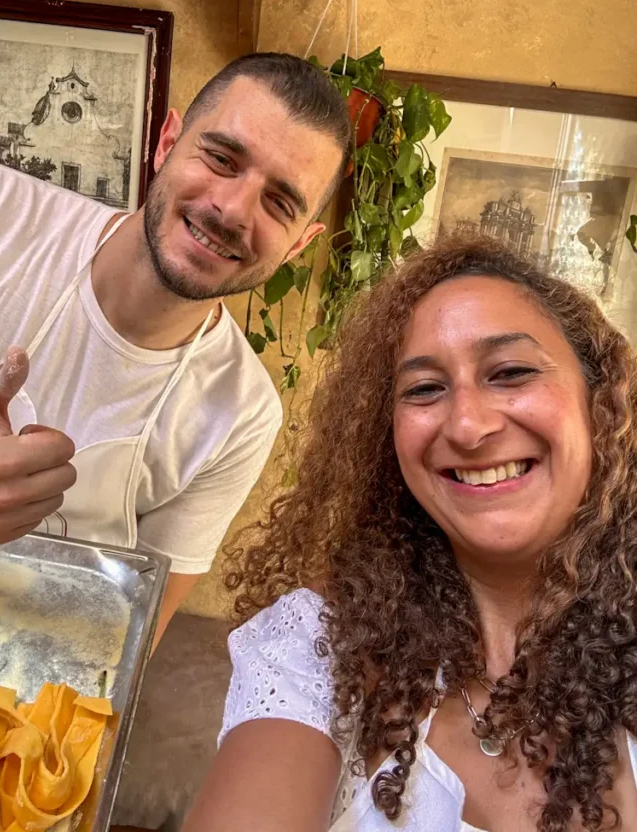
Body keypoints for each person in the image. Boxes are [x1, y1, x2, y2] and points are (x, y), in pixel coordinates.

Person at [0, 52, 351, 647]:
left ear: (300, 244)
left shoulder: (242, 413)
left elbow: (131, 638)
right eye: (222, 159)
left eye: (279, 203)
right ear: (167, 142)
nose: (232, 210)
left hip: (31, 683)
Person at [185, 236, 637, 831]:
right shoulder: (323, 646)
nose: (468, 426)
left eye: (510, 373)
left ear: (600, 401)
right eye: (424, 389)